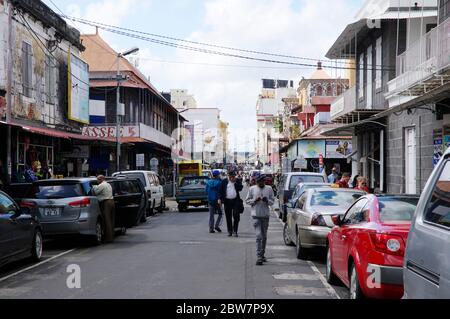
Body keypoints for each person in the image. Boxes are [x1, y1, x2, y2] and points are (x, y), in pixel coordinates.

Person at [245, 175, 275, 266]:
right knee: (259, 236)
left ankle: (262, 254)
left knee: (264, 236)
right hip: (256, 216)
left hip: (265, 215)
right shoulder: (252, 189)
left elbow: (273, 201)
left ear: (264, 181)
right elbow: (247, 200)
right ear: (256, 182)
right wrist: (255, 200)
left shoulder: (269, 189)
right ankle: (259, 257)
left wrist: (267, 201)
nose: (260, 184)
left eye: (262, 182)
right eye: (259, 182)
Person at [92, 175, 115, 243]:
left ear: (101, 179)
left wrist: (94, 186)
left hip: (106, 203)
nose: (97, 181)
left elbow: (95, 192)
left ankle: (108, 238)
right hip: (111, 201)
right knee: (111, 220)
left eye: (98, 179)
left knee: (107, 220)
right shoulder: (108, 184)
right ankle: (111, 236)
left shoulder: (102, 185)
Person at [220, 171, 244, 237]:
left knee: (236, 215)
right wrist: (219, 199)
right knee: (228, 216)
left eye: (233, 176)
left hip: (235, 200)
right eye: (231, 177)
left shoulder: (237, 180)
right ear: (228, 176)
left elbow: (240, 188)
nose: (232, 178)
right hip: (227, 201)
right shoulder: (224, 181)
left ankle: (235, 231)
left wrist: (235, 183)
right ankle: (229, 231)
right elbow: (221, 191)